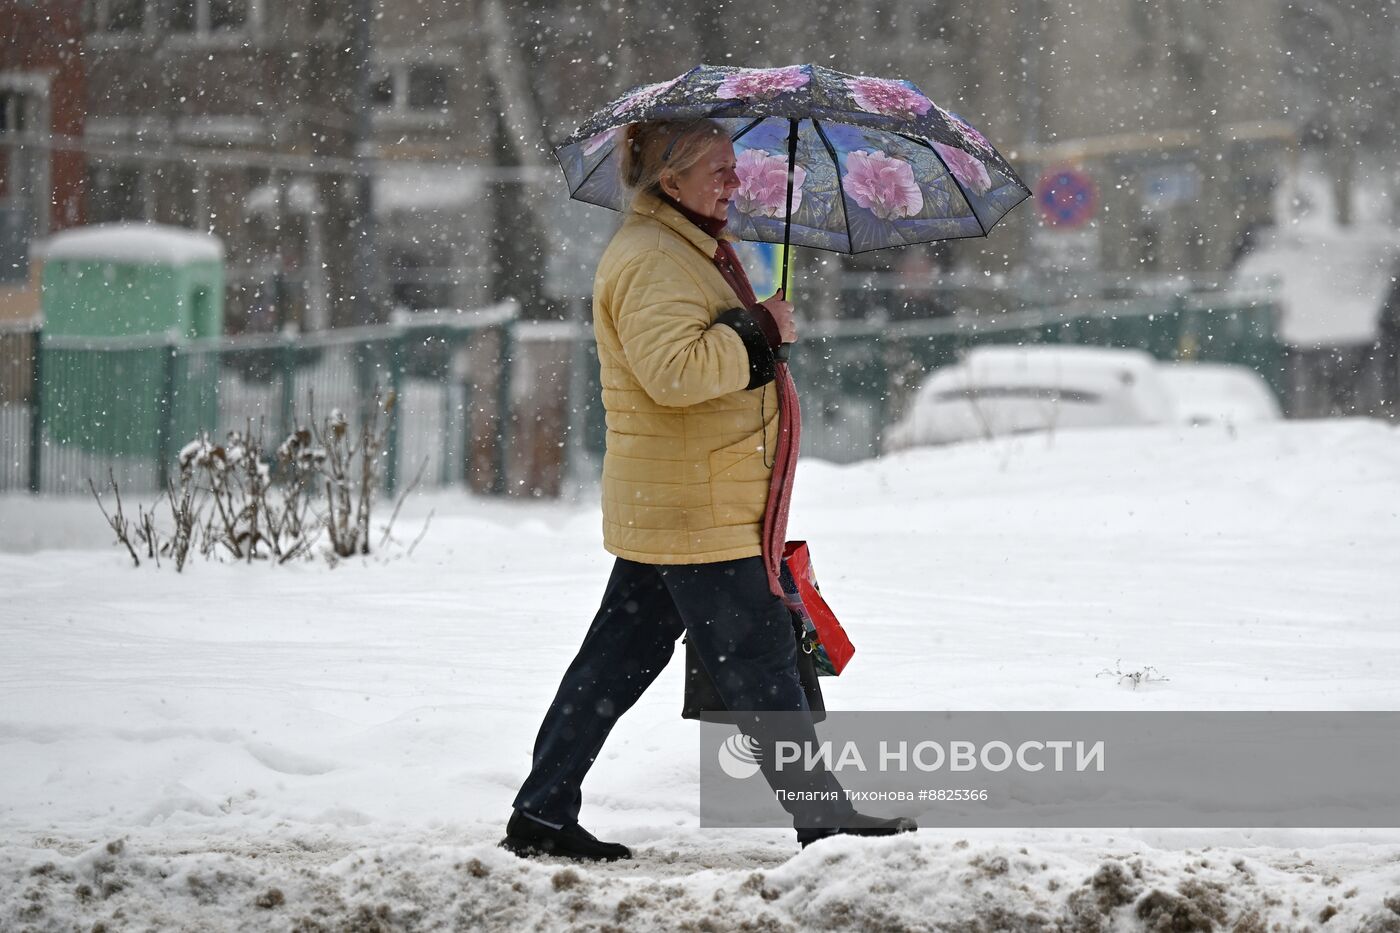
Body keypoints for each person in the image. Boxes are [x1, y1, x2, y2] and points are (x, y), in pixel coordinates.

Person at [500, 119, 916, 861]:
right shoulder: (656, 259)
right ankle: (824, 825)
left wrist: (754, 328)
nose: (735, 181)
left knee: (612, 662)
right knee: (762, 660)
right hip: (697, 507)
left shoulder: (681, 247)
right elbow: (677, 373)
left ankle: (542, 811)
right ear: (672, 180)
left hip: (684, 499)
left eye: (733, 167)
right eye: (718, 170)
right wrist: (758, 331)